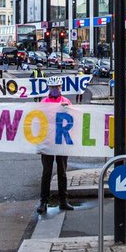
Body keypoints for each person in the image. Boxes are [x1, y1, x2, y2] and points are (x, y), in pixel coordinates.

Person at [36, 77, 73, 215]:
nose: (55, 90)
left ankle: (63, 200)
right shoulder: (43, 103)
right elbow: (38, 121)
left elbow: (72, 120)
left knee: (62, 172)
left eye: (57, 87)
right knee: (46, 172)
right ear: (49, 89)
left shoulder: (66, 102)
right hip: (48, 142)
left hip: (62, 141)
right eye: (52, 87)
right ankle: (43, 202)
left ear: (61, 87)